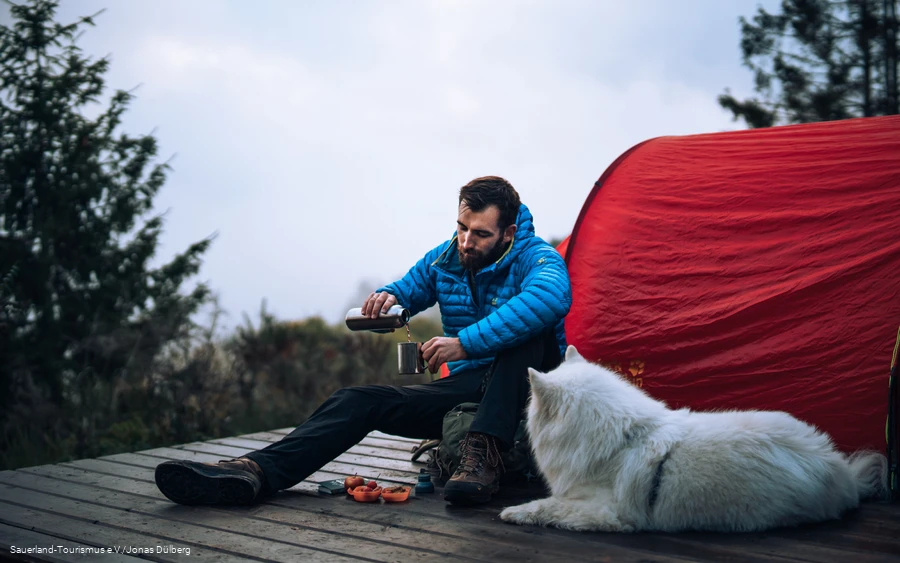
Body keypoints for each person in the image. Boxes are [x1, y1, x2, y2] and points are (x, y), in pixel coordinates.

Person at [154, 176, 572, 506]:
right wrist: (390, 297)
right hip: (470, 389)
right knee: (359, 399)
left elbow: (551, 298)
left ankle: (482, 458)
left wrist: (463, 344)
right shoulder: (448, 257)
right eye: (461, 228)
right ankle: (254, 472)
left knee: (528, 331)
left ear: (509, 232)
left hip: (533, 393)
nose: (466, 241)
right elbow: (411, 285)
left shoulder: (537, 258)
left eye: (479, 234)